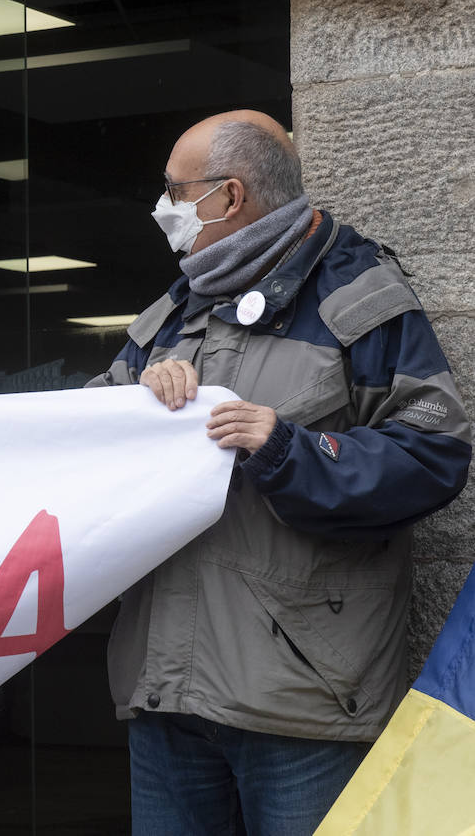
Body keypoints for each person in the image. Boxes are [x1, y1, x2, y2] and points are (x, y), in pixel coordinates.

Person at [88, 110, 472, 835]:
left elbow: (434, 453)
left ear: (230, 197)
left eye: (177, 189)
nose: (163, 206)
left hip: (302, 699)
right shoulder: (170, 312)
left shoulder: (358, 294)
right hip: (166, 692)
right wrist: (133, 407)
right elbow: (79, 446)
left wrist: (290, 450)